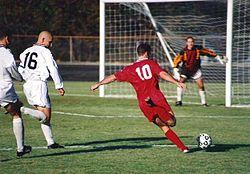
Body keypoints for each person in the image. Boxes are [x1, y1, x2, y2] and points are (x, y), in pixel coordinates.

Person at [91, 42, 189, 153]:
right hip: (157, 98)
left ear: (138, 53)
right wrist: (177, 83)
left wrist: (99, 84)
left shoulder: (130, 69)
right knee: (172, 121)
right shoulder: (151, 63)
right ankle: (183, 147)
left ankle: (183, 148)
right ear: (147, 53)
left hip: (144, 103)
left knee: (163, 127)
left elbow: (113, 77)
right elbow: (163, 74)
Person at [0, 29, 48, 157]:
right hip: (3, 89)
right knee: (16, 113)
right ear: (6, 38)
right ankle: (21, 148)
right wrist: (20, 78)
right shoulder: (5, 53)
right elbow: (11, 68)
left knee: (14, 110)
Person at [18, 31, 65, 149]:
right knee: (46, 117)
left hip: (27, 85)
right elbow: (53, 68)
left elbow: (20, 69)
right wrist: (59, 85)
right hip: (38, 85)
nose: (51, 45)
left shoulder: (26, 51)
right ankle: (21, 109)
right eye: (50, 42)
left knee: (44, 116)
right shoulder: (45, 51)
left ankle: (51, 143)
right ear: (43, 39)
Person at [173, 36, 226, 106]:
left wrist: (217, 56)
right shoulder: (183, 51)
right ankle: (179, 101)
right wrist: (175, 68)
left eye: (192, 42)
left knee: (201, 86)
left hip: (196, 70)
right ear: (186, 43)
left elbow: (208, 52)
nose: (190, 43)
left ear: (193, 42)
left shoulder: (198, 49)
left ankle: (204, 103)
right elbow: (177, 59)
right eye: (189, 42)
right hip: (186, 70)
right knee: (180, 83)